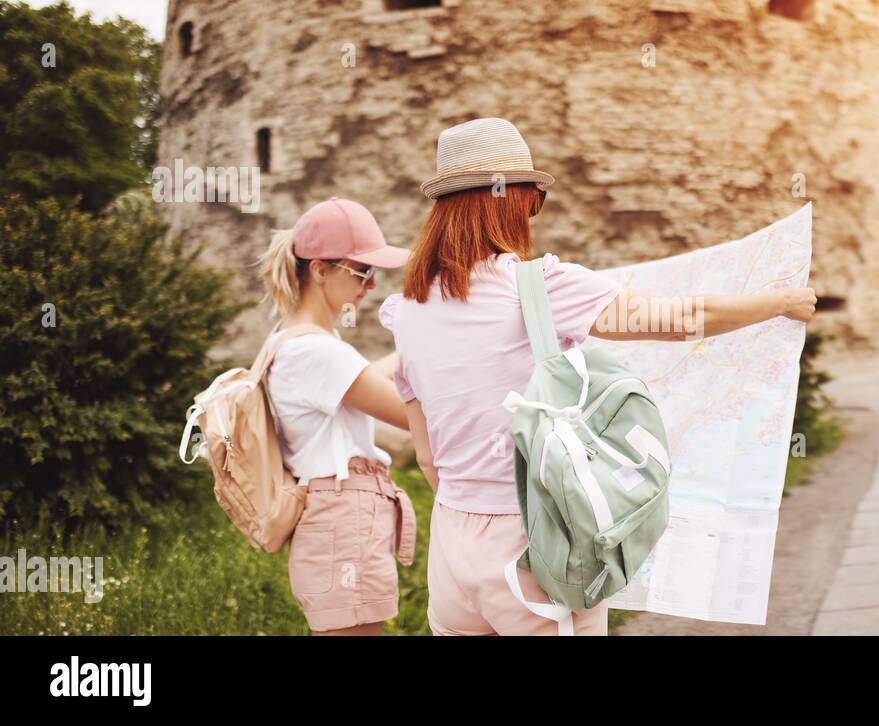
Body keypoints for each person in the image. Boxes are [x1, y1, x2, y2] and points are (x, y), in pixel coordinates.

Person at [379, 117, 817, 636]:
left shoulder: (406, 310)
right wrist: (779, 302)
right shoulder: (538, 287)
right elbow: (677, 321)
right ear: (514, 202)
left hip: (452, 548)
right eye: (533, 201)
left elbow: (428, 457)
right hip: (535, 546)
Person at [257, 197, 416, 635]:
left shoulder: (296, 340)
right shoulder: (316, 351)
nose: (371, 285)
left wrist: (413, 355)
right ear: (320, 270)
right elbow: (412, 416)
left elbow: (360, 378)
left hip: (335, 522)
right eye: (361, 271)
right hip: (344, 524)